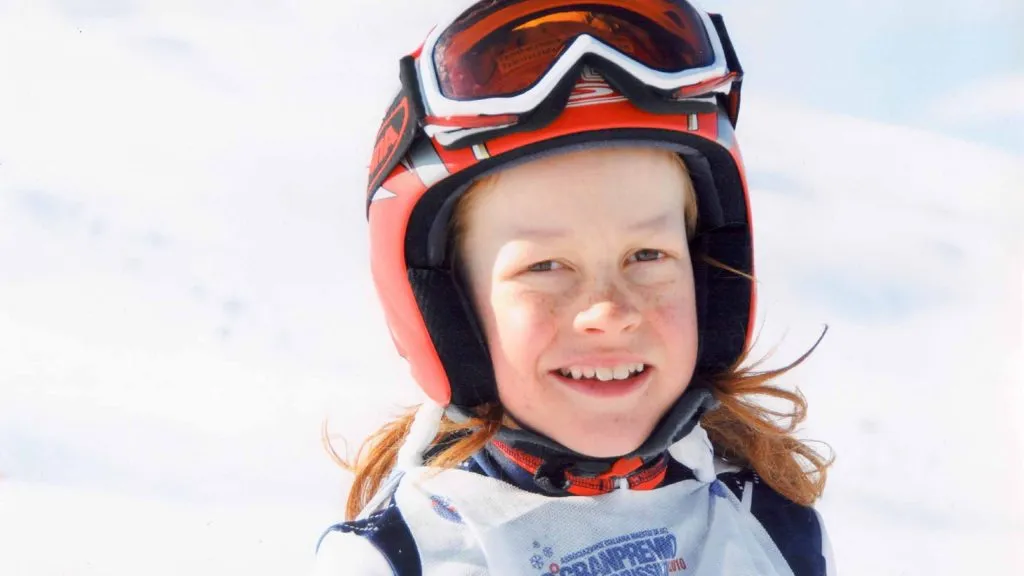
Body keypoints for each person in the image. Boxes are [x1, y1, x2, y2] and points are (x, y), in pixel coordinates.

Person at [314, 1, 835, 574]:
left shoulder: (771, 527)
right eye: (545, 267)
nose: (609, 312)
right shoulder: (408, 559)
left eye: (647, 255)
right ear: (449, 310)